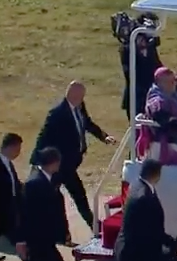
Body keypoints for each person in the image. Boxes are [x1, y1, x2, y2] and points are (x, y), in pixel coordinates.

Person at [29, 81, 116, 229]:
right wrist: (37, 160)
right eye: (81, 95)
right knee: (56, 198)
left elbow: (87, 123)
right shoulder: (57, 113)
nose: (83, 98)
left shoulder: (79, 107)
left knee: (75, 195)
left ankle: (91, 226)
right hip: (58, 165)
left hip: (70, 164)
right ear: (72, 94)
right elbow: (44, 137)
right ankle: (65, 229)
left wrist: (103, 136)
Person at [114, 159, 177, 261]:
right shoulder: (145, 198)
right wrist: (175, 246)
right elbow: (155, 231)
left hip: (127, 248)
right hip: (135, 254)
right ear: (157, 174)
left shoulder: (136, 185)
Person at [18, 147, 68, 261]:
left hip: (46, 239)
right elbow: (25, 213)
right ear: (55, 162)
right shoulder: (34, 183)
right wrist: (21, 240)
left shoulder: (47, 179)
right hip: (38, 239)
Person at [121, 32, 164, 121]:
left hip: (151, 94)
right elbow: (129, 72)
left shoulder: (151, 49)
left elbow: (157, 65)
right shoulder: (127, 50)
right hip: (136, 95)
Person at [0, 134, 22, 259]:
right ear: (11, 147)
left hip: (11, 208)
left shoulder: (8, 163)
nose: (18, 153)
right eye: (18, 149)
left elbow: (14, 184)